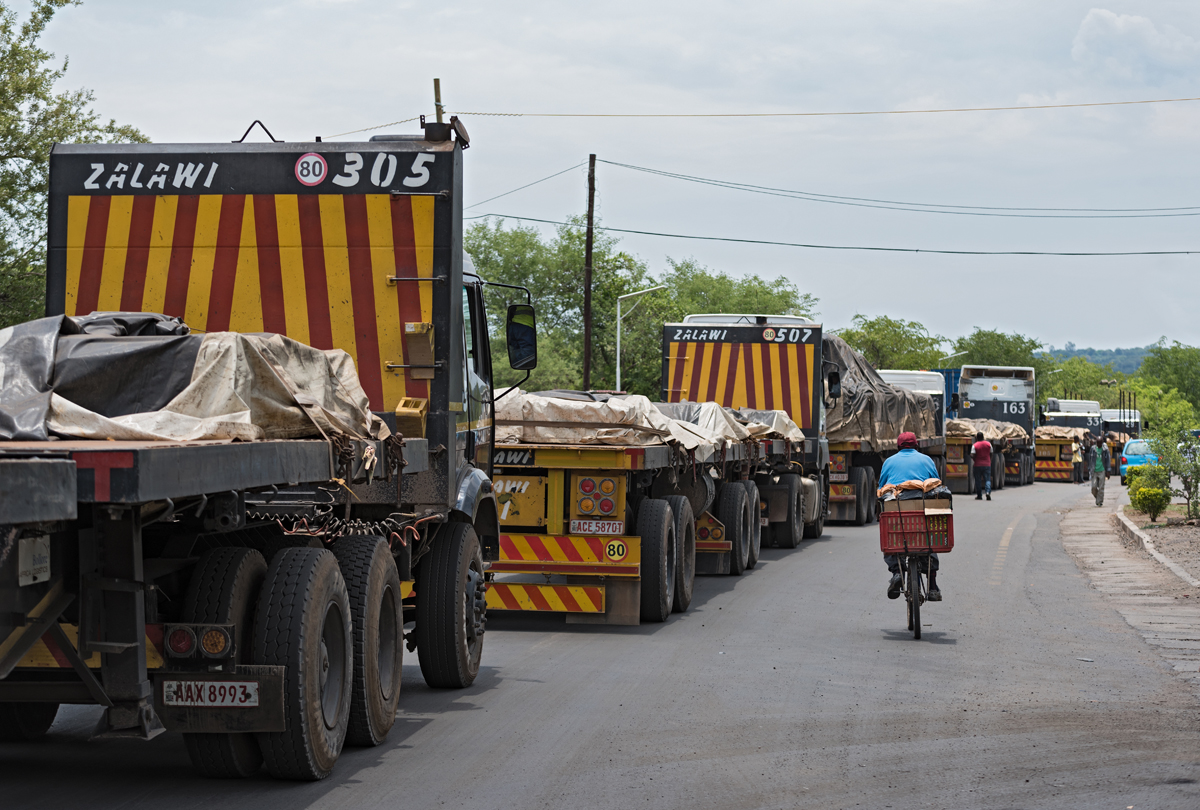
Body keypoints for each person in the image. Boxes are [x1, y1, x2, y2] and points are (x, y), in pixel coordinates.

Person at [878, 431, 942, 601]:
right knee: (930, 540)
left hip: (897, 509)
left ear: (898, 446)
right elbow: (936, 484)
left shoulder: (889, 462)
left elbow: (882, 487)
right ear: (916, 445)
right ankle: (933, 585)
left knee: (891, 539)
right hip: (922, 511)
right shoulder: (927, 460)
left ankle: (897, 572)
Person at [970, 431, 992, 501]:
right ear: (983, 437)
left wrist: (973, 458)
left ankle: (979, 495)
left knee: (978, 480)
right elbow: (991, 453)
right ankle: (988, 492)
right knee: (987, 479)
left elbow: (972, 454)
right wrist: (989, 460)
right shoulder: (988, 444)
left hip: (977, 465)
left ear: (977, 438)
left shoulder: (975, 445)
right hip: (987, 465)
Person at [1091, 436, 1111, 506]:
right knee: (1093, 487)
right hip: (1094, 471)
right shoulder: (1093, 449)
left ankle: (1099, 502)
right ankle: (1098, 497)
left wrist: (1108, 471)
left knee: (1101, 487)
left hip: (1102, 470)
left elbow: (1108, 460)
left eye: (1100, 443)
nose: (1099, 444)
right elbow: (1090, 459)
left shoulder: (1105, 449)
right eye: (1097, 443)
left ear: (1102, 442)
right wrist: (1089, 469)